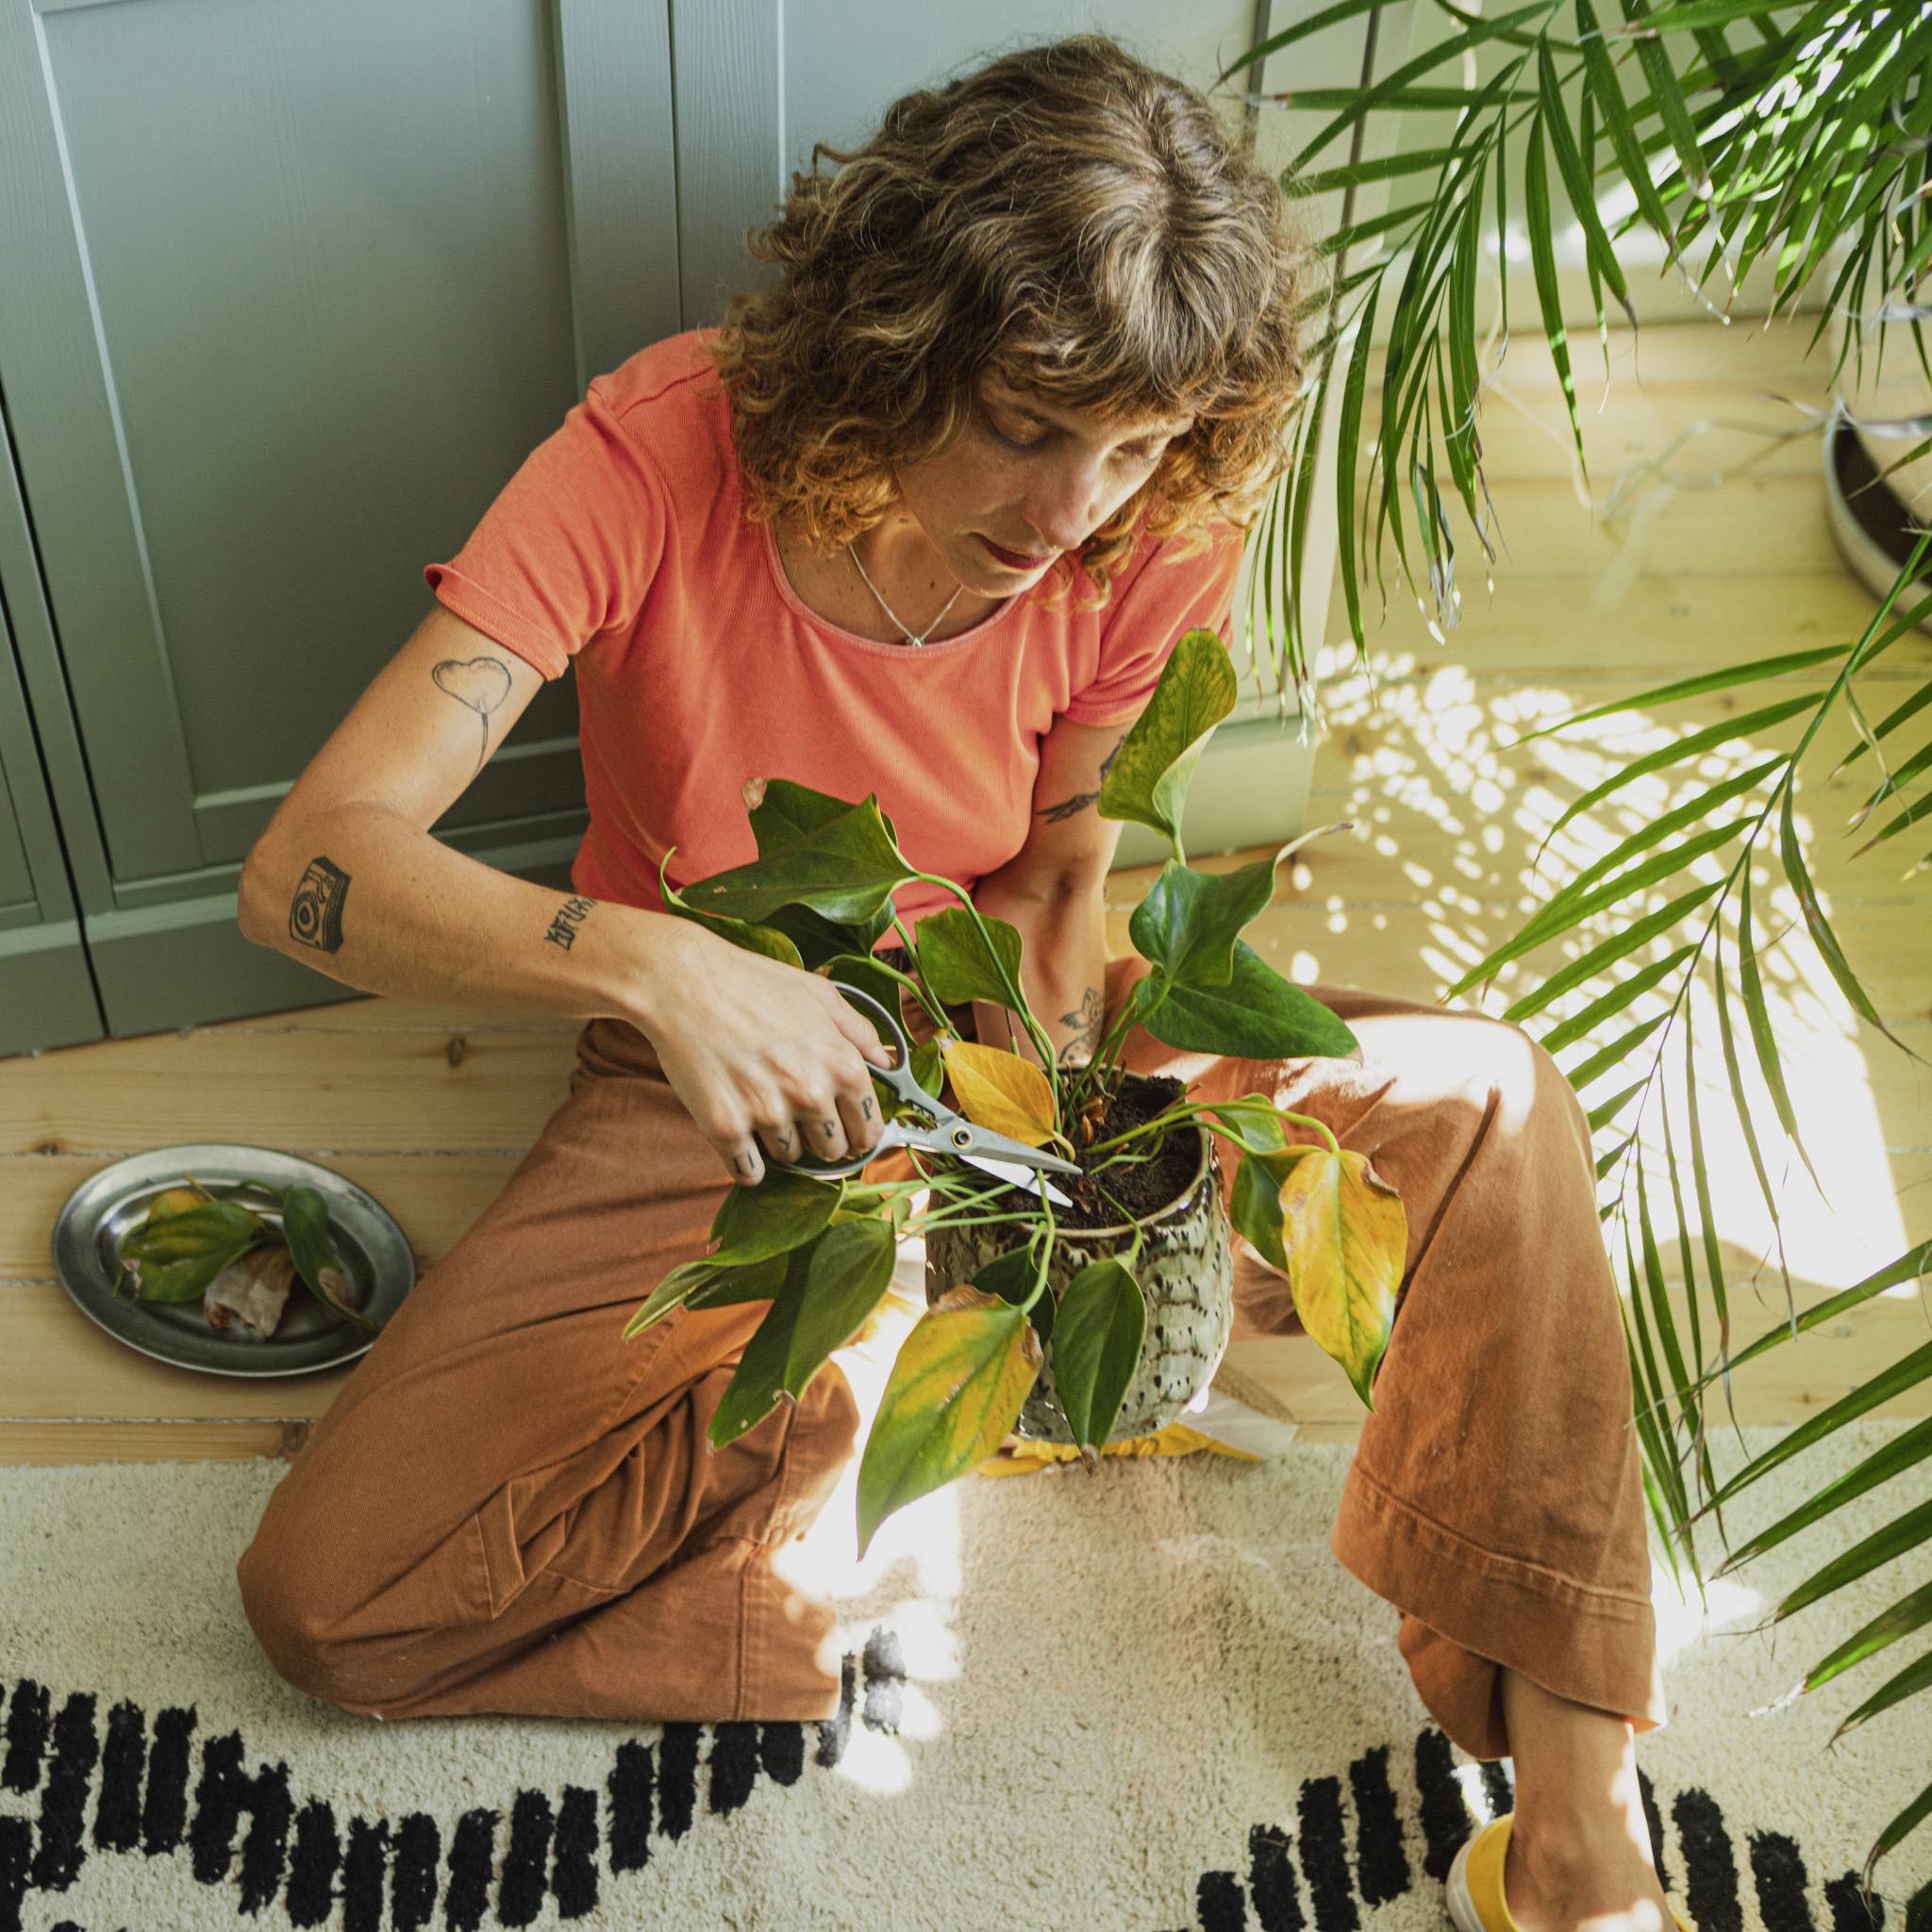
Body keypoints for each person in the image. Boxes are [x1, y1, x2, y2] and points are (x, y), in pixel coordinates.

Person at [233, 34, 1682, 1932]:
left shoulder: (1144, 513)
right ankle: (865, 1504)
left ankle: (1576, 1822)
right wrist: (662, 967)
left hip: (1008, 1064)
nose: (1078, 502)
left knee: (1487, 1096)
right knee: (331, 1599)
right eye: (1025, 420)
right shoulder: (654, 457)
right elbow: (306, 867)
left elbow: (1059, 846)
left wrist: (1059, 1116)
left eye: (1142, 445)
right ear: (898, 344)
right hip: (739, 1071)